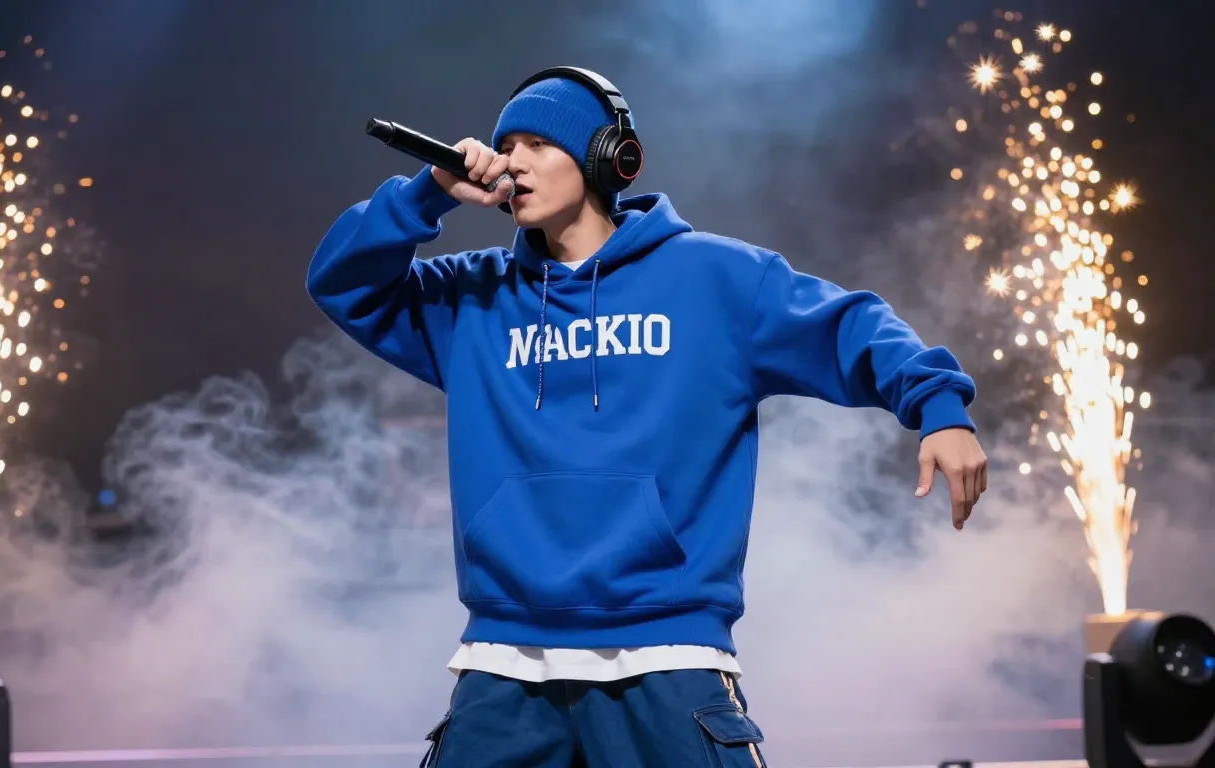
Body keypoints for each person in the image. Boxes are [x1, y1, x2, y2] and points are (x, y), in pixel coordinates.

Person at [307, 67, 988, 767]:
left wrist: (938, 408)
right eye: (506, 146)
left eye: (539, 144)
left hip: (668, 659)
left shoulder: (716, 279)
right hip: (502, 664)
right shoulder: (471, 297)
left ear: (608, 158)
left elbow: (852, 325)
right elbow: (339, 281)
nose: (514, 162)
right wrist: (427, 193)